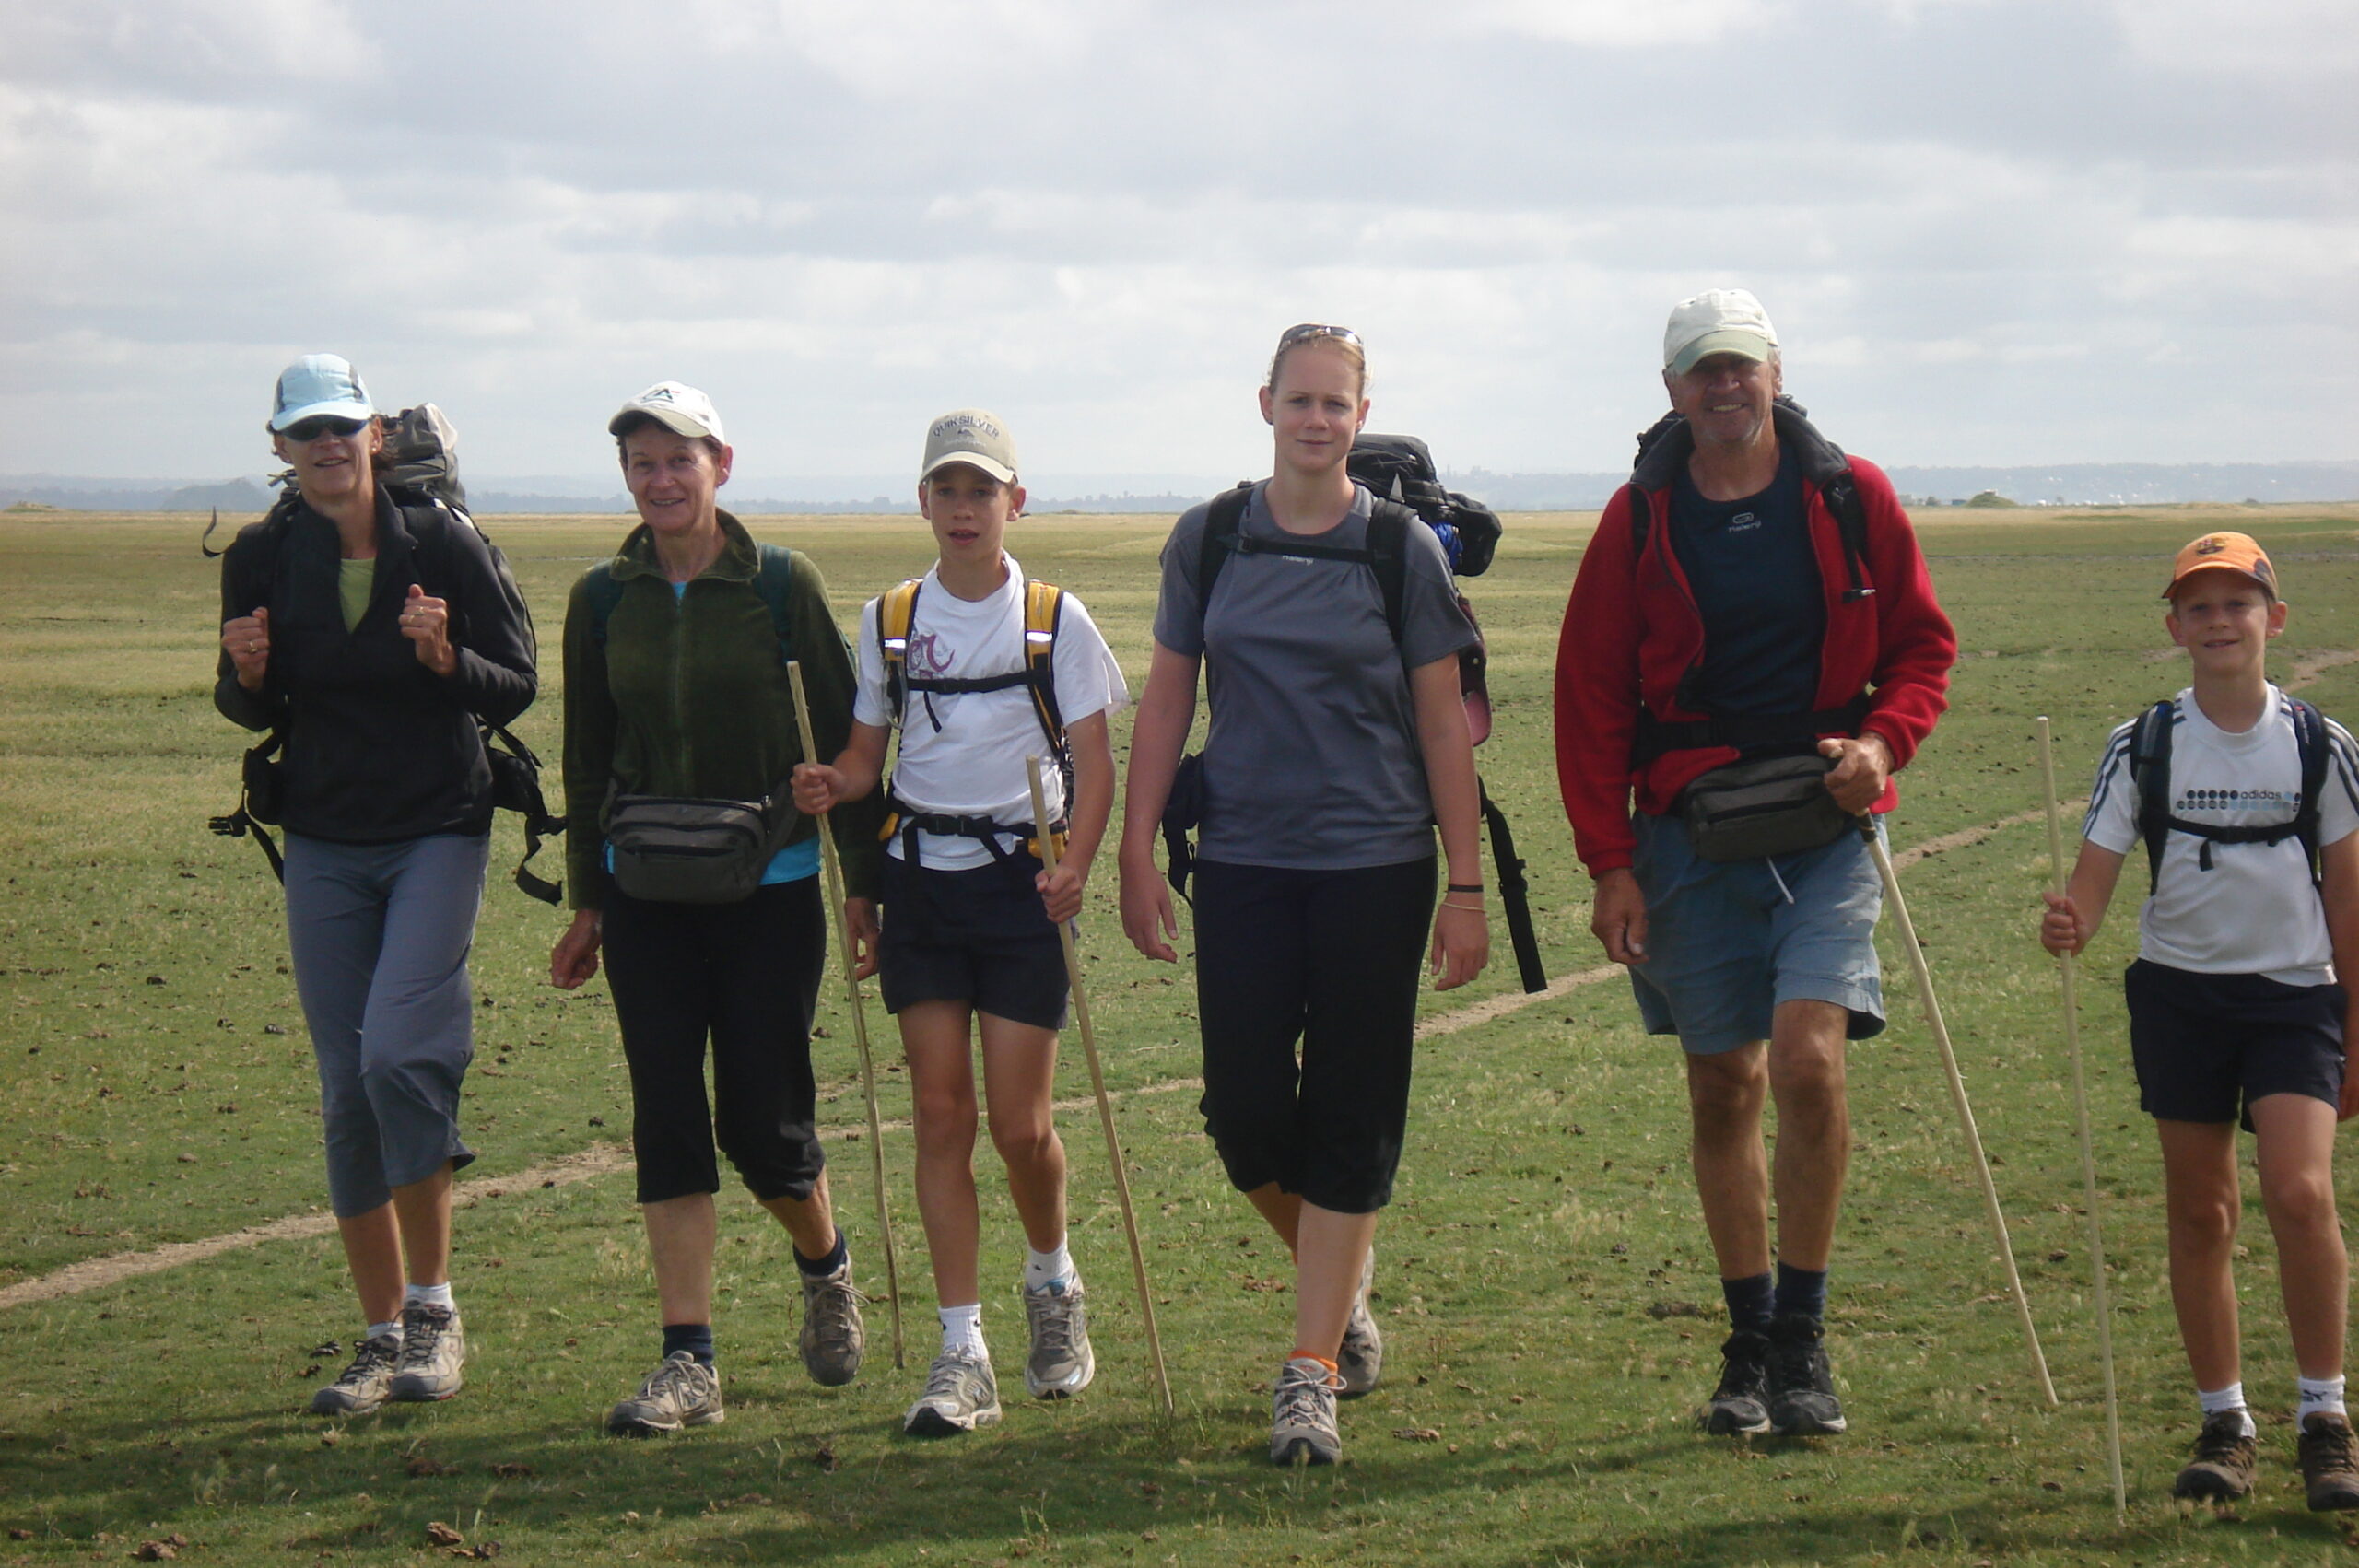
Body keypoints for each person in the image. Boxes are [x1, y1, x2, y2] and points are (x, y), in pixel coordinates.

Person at [1554, 289, 1956, 1438]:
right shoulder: (1637, 518)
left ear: (1775, 372)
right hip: (1686, 837)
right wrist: (1609, 862)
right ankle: (1746, 1341)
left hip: (1824, 826)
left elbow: (1921, 646)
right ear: (1672, 390)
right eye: (1699, 371)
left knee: (1807, 1063)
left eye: (1739, 366)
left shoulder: (1848, 495)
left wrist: (1883, 743)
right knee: (1721, 1082)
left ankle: (1804, 1341)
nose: (1722, 387)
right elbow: (1588, 697)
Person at [1118, 323, 1489, 1467]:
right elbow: (1170, 699)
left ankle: (1312, 1366)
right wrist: (1135, 847)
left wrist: (1464, 885)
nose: (1318, 420)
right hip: (1242, 861)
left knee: (1351, 1111)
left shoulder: (1398, 552)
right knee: (1243, 1117)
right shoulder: (1212, 537)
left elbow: (1441, 722)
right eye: (1301, 400)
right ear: (1265, 404)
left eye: (1338, 403)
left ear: (1359, 411)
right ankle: (1347, 1271)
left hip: (1377, 864)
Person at [547, 381, 884, 1437]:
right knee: (666, 1116)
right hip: (645, 892)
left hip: (770, 892)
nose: (659, 480)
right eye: (641, 464)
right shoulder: (602, 598)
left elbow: (843, 743)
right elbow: (589, 758)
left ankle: (824, 1265)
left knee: (762, 1122)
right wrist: (586, 902)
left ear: (721, 465)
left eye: (677, 460)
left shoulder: (782, 586)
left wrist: (864, 881)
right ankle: (687, 1359)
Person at [791, 408, 1127, 1437]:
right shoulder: (888, 616)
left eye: (984, 490)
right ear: (923, 501)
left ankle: (1053, 1285)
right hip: (919, 882)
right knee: (939, 1115)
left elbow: (1096, 762)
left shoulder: (1053, 617)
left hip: (1022, 884)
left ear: (1014, 502)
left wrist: (1077, 864)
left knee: (1023, 1128)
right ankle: (960, 1348)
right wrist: (830, 780)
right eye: (948, 489)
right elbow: (864, 756)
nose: (965, 507)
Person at [216, 354, 537, 1415]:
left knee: (400, 1052)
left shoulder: (440, 543)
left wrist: (448, 660)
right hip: (321, 837)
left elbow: (519, 679)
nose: (324, 446)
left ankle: (435, 1313)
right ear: (279, 448)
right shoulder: (264, 556)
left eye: (341, 428)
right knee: (347, 1088)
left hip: (437, 829)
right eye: (303, 430)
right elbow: (248, 708)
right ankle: (378, 1332)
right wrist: (250, 677)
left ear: (375, 438)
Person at [2041, 532, 2359, 1509]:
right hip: (2180, 996)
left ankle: (2325, 1420)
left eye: (2238, 604)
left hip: (2293, 999)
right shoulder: (2143, 744)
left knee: (2299, 1194)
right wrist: (2071, 920)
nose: (2220, 622)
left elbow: (2348, 900)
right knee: (2201, 1209)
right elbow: (2093, 881)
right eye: (2200, 607)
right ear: (2174, 626)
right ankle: (2224, 1422)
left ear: (2274, 619)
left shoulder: (2320, 745)